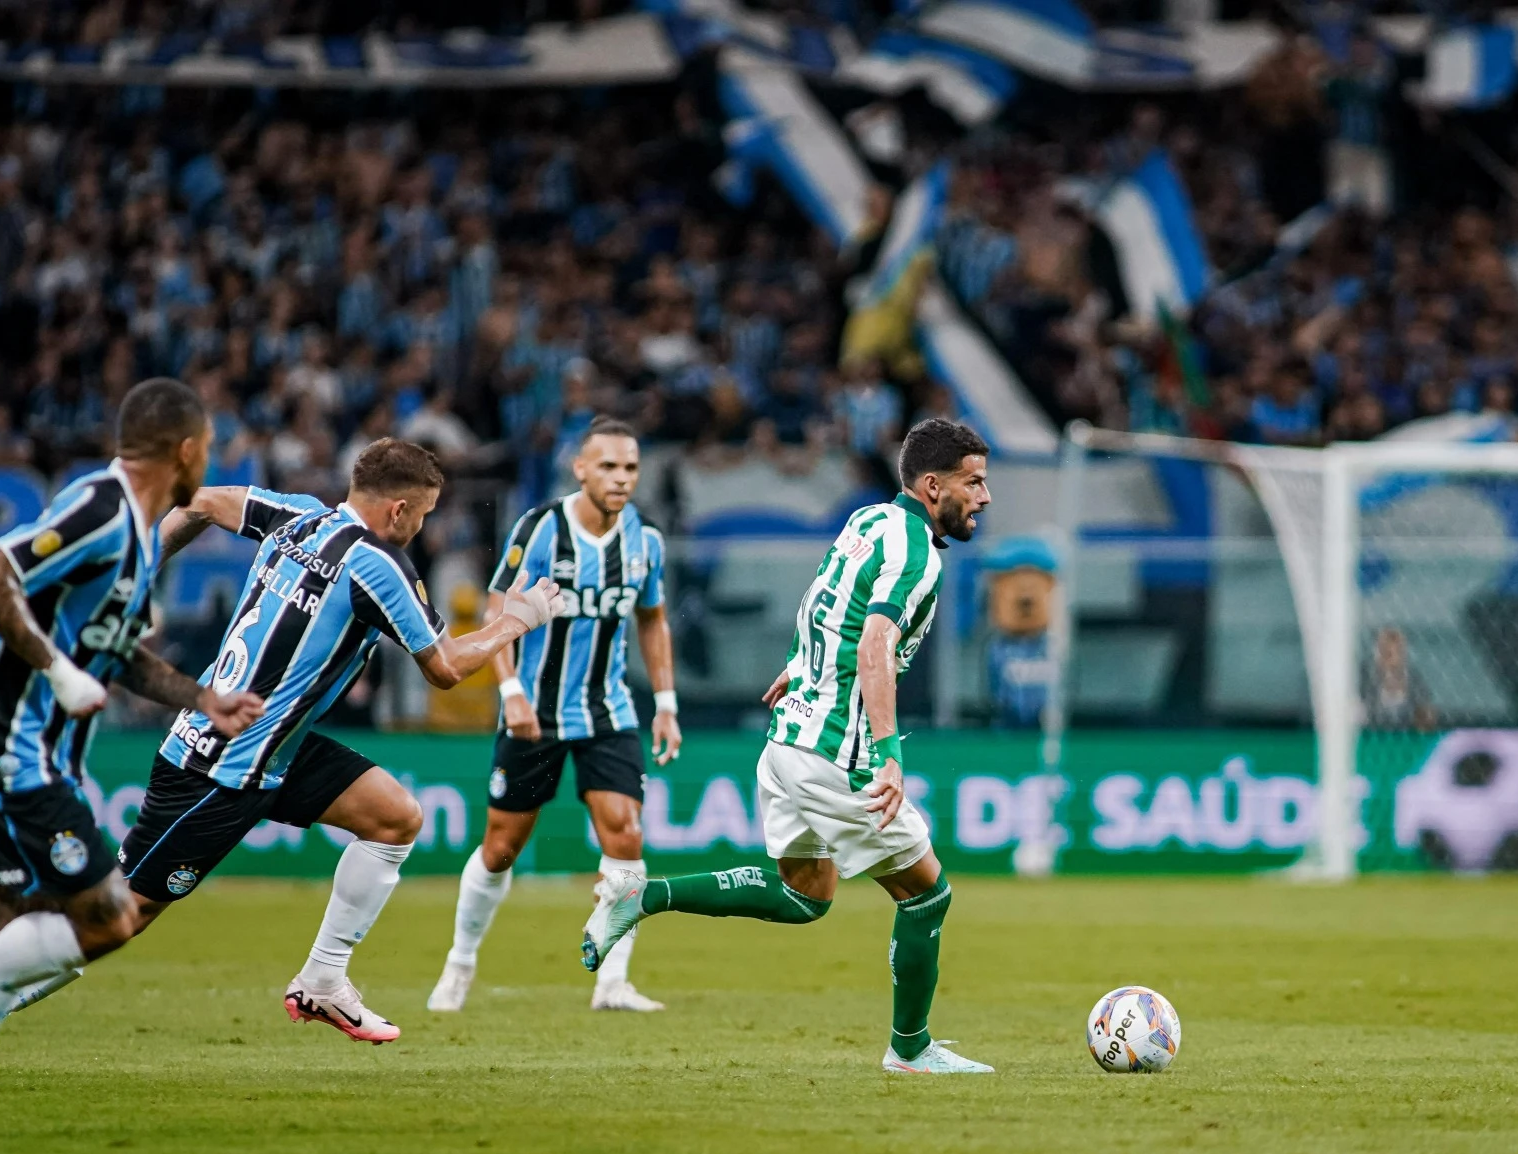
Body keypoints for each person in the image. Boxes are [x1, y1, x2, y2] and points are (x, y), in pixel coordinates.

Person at [580, 417, 994, 1074]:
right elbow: (874, 644)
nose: (985, 496)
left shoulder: (869, 523)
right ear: (933, 484)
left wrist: (802, 664)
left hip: (789, 740)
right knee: (927, 894)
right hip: (838, 754)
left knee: (805, 895)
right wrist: (888, 754)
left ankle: (642, 896)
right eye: (973, 483)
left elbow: (827, 601)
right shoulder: (917, 556)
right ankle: (910, 1050)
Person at [110, 440, 559, 1044]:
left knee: (394, 817)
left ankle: (323, 980)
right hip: (219, 765)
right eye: (422, 515)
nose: (421, 528)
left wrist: (138, 574)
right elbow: (446, 666)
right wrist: (518, 619)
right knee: (116, 917)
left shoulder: (297, 515)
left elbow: (202, 502)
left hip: (275, 749)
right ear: (399, 511)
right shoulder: (378, 564)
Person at [0, 379, 265, 1087]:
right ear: (187, 449)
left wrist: (205, 698)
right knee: (108, 919)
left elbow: (120, 653)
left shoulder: (140, 538)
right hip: (15, 750)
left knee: (30, 915)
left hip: (42, 754)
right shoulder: (101, 507)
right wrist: (53, 667)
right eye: (209, 450)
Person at [426, 419, 682, 1015]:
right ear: (581, 469)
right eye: (609, 467)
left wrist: (665, 705)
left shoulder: (646, 542)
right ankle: (460, 964)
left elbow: (652, 618)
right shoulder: (540, 529)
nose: (621, 479)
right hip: (534, 713)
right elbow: (499, 608)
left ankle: (613, 982)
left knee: (626, 833)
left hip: (607, 711)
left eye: (631, 468)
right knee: (501, 848)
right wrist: (509, 689)